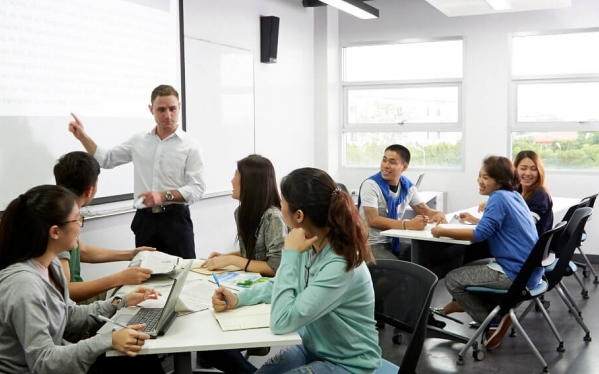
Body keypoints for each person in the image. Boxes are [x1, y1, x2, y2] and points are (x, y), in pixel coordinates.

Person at [0, 185, 164, 374]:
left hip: (49, 362)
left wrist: (120, 302)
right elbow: (43, 362)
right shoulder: (24, 286)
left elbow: (69, 315)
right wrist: (109, 340)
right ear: (55, 232)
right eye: (77, 219)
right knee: (138, 361)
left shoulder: (52, 266)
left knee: (141, 356)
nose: (80, 226)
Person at [212, 168, 381, 374]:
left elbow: (281, 323)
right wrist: (239, 297)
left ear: (299, 215)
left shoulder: (341, 263)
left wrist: (290, 254)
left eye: (282, 200)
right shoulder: (309, 243)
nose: (279, 204)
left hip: (349, 364)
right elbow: (280, 284)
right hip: (313, 348)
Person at [68, 84, 206, 258]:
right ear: (151, 110)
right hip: (145, 220)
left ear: (179, 106)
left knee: (183, 272)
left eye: (172, 109)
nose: (168, 115)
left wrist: (163, 196)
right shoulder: (139, 140)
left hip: (175, 220)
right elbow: (107, 159)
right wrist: (82, 136)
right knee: (145, 274)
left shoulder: (190, 145)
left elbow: (197, 187)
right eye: (161, 110)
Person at [429, 156, 542, 350]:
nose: (480, 181)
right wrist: (475, 220)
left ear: (500, 180)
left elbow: (480, 235)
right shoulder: (514, 195)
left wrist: (442, 230)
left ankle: (492, 320)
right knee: (471, 267)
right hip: (531, 271)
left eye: (486, 177)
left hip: (514, 273)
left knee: (453, 279)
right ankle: (497, 313)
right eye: (479, 176)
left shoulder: (498, 198)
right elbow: (497, 226)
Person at [197, 154, 286, 374]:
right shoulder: (242, 212)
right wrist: (225, 256)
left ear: (250, 181)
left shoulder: (273, 217)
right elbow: (252, 253)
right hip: (248, 282)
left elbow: (275, 267)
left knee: (213, 347)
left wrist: (232, 260)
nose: (231, 180)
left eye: (236, 174)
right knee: (208, 342)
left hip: (268, 291)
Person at [53, 151, 155, 305]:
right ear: (90, 190)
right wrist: (119, 278)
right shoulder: (60, 222)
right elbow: (67, 292)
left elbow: (83, 251)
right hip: (70, 309)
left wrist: (131, 254)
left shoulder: (61, 212)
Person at [357, 144, 446, 260]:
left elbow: (425, 210)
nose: (385, 166)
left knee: (430, 257)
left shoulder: (407, 186)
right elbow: (373, 220)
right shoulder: (371, 185)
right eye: (384, 160)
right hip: (370, 244)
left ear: (404, 167)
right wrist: (408, 225)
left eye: (392, 162)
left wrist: (438, 214)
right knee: (398, 271)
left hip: (394, 242)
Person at [514, 150, 553, 237]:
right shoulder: (517, 191)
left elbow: (525, 225)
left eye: (533, 169)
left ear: (539, 171)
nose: (528, 173)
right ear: (515, 170)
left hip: (531, 246)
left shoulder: (540, 194)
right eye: (523, 168)